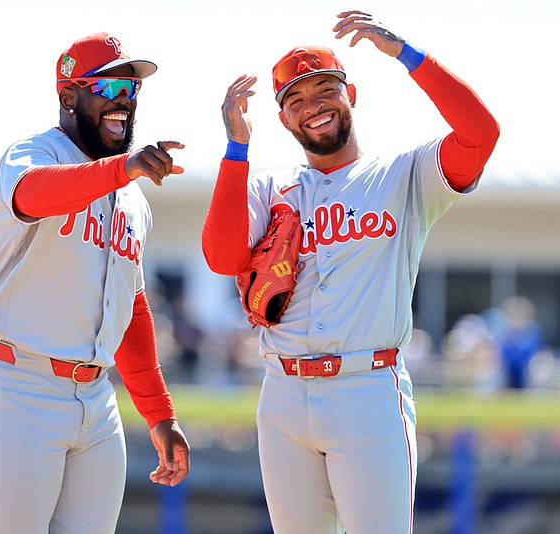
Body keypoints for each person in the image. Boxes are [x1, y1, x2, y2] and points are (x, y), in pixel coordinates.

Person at [202, 10, 499, 534]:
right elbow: (223, 258)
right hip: (283, 392)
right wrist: (236, 148)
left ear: (351, 95)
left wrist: (408, 54)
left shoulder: (404, 176)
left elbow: (480, 134)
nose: (312, 108)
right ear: (284, 120)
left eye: (324, 91)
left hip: (367, 389)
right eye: (296, 101)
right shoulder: (268, 189)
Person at [0, 32, 190, 533]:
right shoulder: (33, 154)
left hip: (96, 398)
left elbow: (131, 308)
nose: (123, 101)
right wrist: (121, 169)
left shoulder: (132, 199)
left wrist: (159, 413)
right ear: (68, 96)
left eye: (131, 89)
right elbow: (34, 195)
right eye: (109, 87)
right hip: (18, 383)